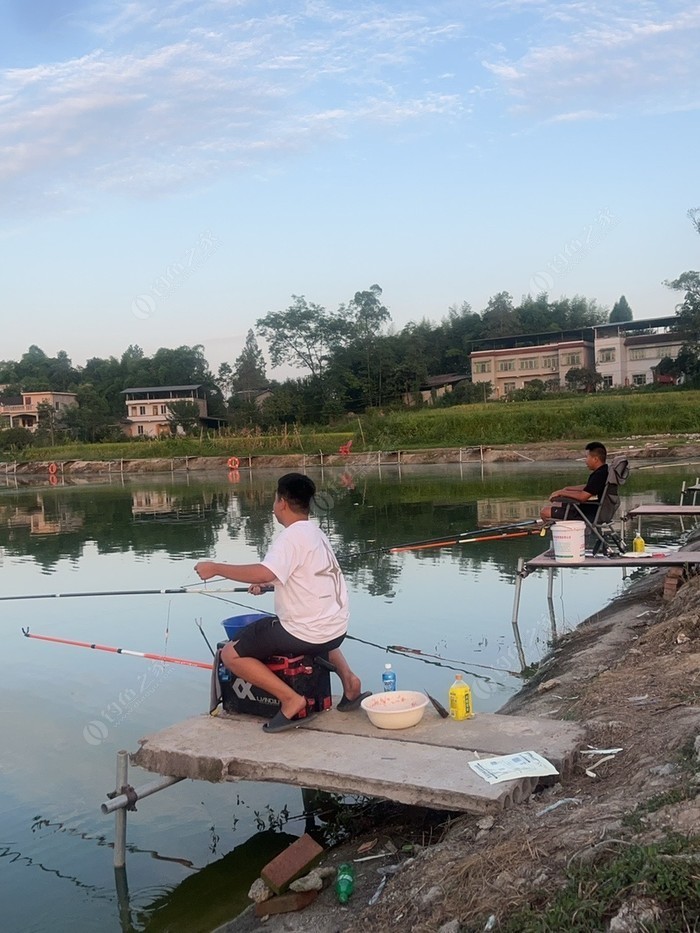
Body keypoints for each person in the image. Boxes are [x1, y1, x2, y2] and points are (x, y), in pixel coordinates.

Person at [195, 472, 369, 733]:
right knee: (318, 624)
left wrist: (216, 568)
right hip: (337, 631)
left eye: (275, 499)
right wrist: (269, 583)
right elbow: (302, 578)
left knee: (229, 654)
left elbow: (265, 571)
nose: (274, 505)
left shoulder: (290, 538)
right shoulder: (315, 534)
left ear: (282, 502)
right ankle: (350, 681)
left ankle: (291, 701)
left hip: (306, 633)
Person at [540, 441, 611, 522]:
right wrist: (567, 489)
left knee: (544, 512)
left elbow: (582, 497)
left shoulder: (599, 475)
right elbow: (589, 488)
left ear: (595, 459)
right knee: (556, 504)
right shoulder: (604, 471)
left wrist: (561, 493)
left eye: (587, 457)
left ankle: (558, 532)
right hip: (597, 509)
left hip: (589, 513)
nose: (585, 461)